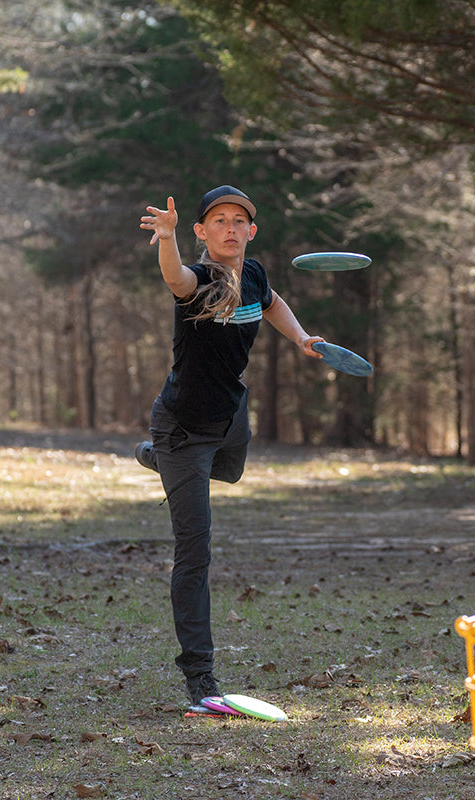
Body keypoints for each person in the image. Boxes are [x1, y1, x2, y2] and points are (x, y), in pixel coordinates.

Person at [135, 184, 323, 709]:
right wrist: (167, 240)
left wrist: (302, 338)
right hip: (182, 426)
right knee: (195, 554)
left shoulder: (256, 272)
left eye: (239, 220)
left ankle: (159, 463)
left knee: (231, 471)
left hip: (230, 417)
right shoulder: (199, 279)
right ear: (202, 231)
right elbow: (174, 277)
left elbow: (272, 302)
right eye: (219, 220)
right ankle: (201, 680)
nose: (230, 227)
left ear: (251, 231)